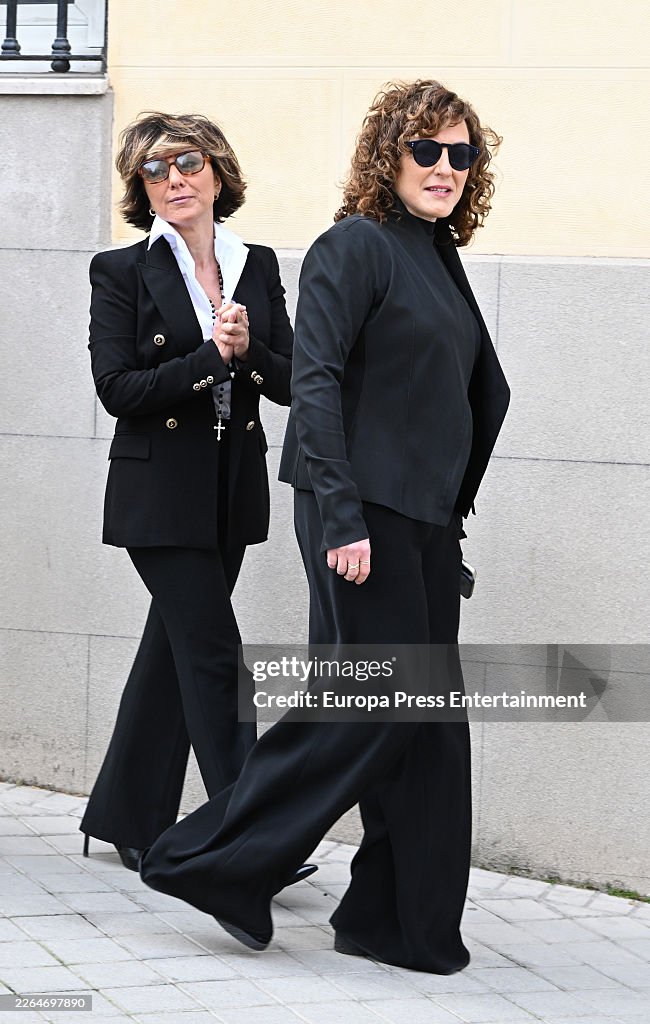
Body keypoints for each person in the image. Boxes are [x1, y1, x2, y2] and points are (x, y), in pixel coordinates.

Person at [139, 80, 510, 974]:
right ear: (389, 156)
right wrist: (343, 518)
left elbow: (457, 396)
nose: (446, 168)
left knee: (427, 725)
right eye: (427, 149)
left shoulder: (437, 253)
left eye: (462, 154)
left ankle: (394, 920)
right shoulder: (357, 245)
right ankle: (207, 860)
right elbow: (314, 381)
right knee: (370, 708)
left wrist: (446, 529)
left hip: (424, 522)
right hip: (361, 512)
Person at [79, 112, 300, 874]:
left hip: (229, 493)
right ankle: (250, 841)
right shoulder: (121, 270)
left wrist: (248, 351)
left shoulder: (255, 264)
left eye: (188, 163)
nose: (173, 178)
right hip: (158, 497)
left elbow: (292, 379)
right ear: (141, 189)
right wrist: (210, 359)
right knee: (214, 660)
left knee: (172, 654)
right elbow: (116, 388)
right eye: (154, 169)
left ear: (217, 173)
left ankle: (124, 815)